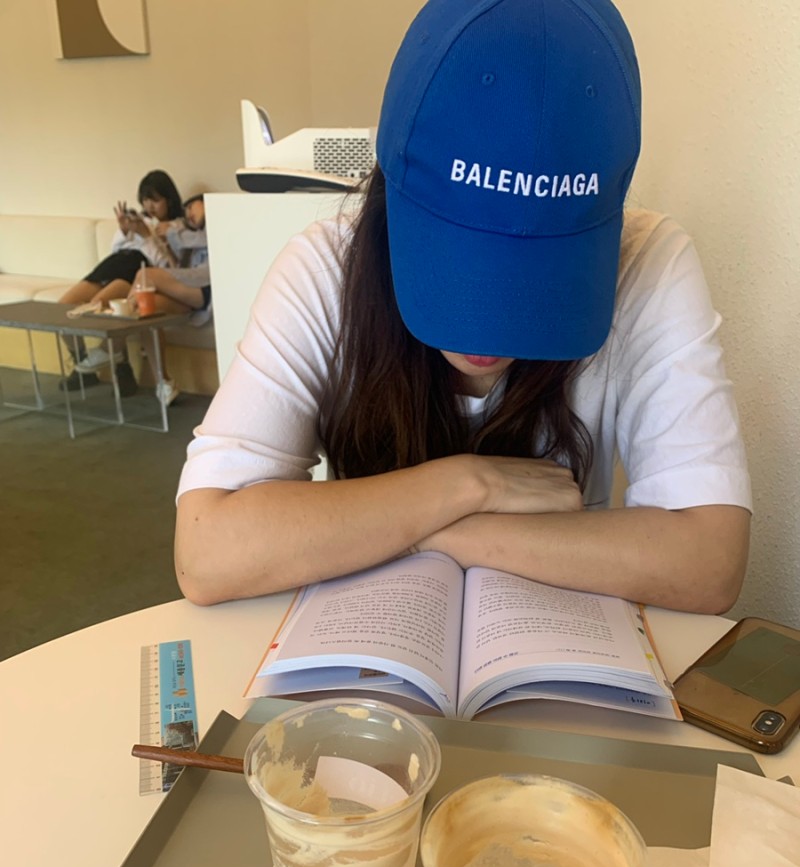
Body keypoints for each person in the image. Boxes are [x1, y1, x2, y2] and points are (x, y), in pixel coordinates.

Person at [174, 0, 752, 616]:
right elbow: (207, 551)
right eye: (462, 267)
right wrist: (469, 484)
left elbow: (711, 562)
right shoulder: (324, 271)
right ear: (391, 185)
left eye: (539, 280)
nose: (490, 337)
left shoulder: (647, 263)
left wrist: (427, 530)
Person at [58, 169, 183, 393]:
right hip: (112, 264)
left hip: (133, 270)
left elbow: (165, 267)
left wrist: (147, 236)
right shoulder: (139, 220)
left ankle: (117, 363)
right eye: (145, 200)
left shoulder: (174, 227)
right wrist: (124, 232)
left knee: (97, 306)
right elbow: (115, 248)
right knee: (61, 309)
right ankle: (82, 363)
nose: (150, 206)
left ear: (169, 199)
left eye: (155, 200)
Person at [124, 194, 212, 407]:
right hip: (189, 294)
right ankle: (163, 382)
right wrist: (164, 244)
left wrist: (172, 233)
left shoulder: (215, 227)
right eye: (186, 210)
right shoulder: (186, 233)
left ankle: (110, 347)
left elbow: (203, 248)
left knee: (144, 275)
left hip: (206, 291)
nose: (189, 213)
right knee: (145, 310)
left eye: (193, 206)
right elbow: (176, 271)